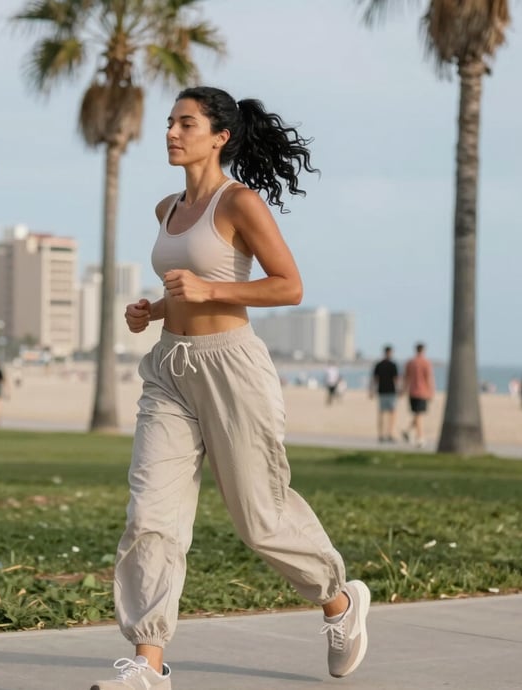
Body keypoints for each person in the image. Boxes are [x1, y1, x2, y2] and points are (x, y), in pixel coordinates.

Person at [91, 86, 370, 690]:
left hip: (232, 370)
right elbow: (188, 290)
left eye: (184, 123)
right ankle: (148, 665)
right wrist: (155, 311)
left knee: (260, 518)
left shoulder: (238, 202)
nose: (170, 132)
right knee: (150, 516)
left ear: (219, 136)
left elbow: (288, 286)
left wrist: (207, 292)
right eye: (169, 122)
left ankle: (338, 601)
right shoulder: (165, 208)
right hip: (169, 370)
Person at [401, 343, 435, 448]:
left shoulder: (410, 362)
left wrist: (403, 390)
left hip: (412, 392)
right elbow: (429, 378)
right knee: (419, 415)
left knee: (417, 414)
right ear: (423, 350)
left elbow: (406, 378)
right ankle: (420, 437)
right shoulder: (426, 363)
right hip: (422, 392)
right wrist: (431, 391)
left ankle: (407, 431)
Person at [370, 345, 399, 442]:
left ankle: (385, 434)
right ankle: (386, 434)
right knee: (389, 414)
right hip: (388, 392)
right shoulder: (390, 365)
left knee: (386, 414)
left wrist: (372, 390)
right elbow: (396, 379)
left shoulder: (381, 364)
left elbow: (375, 379)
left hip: (384, 391)